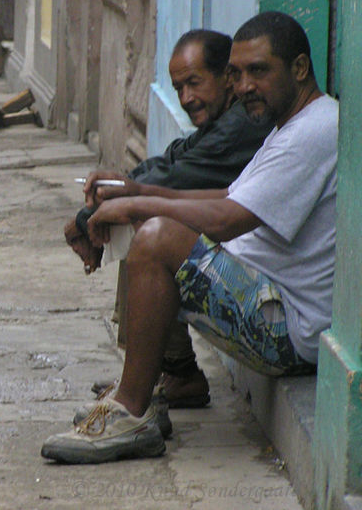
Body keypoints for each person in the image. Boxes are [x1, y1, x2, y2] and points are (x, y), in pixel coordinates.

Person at [42, 11, 337, 464]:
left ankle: (132, 413)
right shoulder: (291, 127)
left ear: (299, 69)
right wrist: (136, 193)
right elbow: (228, 194)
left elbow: (224, 219)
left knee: (158, 235)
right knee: (149, 220)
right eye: (237, 75)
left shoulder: (315, 131)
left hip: (287, 329)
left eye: (259, 71)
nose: (244, 87)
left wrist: (140, 206)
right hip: (264, 299)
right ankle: (152, 388)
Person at [65, 29, 275, 408]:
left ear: (225, 78)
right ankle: (170, 372)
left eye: (194, 83)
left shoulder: (244, 124)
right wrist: (116, 192)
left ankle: (165, 377)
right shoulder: (225, 121)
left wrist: (98, 214)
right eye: (178, 88)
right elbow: (170, 162)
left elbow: (176, 178)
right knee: (138, 213)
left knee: (145, 225)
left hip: (268, 299)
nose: (186, 98)